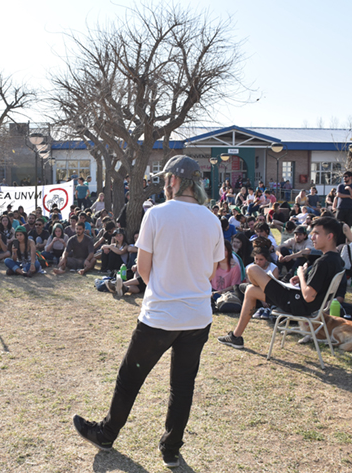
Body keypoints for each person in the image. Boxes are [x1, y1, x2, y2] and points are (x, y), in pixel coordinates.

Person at [73, 155, 223, 468]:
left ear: (176, 180)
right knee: (182, 386)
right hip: (197, 316)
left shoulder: (156, 214)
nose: (165, 184)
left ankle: (107, 433)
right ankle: (171, 448)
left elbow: (143, 270)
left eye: (167, 179)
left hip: (160, 316)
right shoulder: (211, 219)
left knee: (130, 377)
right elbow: (210, 271)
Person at [218, 217, 344, 350]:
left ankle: (254, 287)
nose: (312, 237)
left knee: (251, 269)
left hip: (298, 304)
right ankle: (236, 337)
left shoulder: (323, 262)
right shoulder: (336, 260)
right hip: (302, 302)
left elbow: (308, 296)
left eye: (317, 233)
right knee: (250, 291)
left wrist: (301, 274)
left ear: (330, 236)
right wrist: (302, 279)